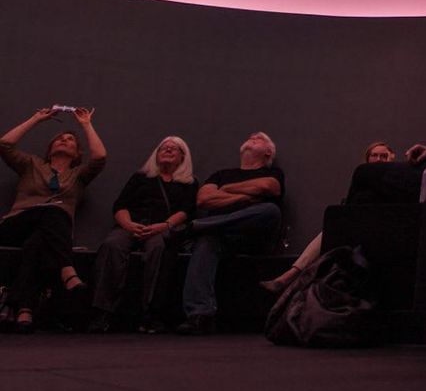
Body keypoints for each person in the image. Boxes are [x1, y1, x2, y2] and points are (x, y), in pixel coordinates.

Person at [0, 107, 106, 331]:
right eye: (59, 138)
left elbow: (99, 157)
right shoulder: (32, 165)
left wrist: (86, 124)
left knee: (35, 244)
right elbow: (5, 144)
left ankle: (24, 309)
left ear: (77, 154)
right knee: (55, 210)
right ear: (49, 150)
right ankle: (67, 268)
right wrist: (36, 118)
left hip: (47, 235)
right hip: (15, 224)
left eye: (70, 140)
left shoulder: (79, 176)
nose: (64, 140)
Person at [176, 131, 285, 334]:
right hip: (221, 236)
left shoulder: (273, 173)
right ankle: (200, 315)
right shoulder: (220, 174)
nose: (253, 137)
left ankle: (197, 226)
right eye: (251, 136)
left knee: (270, 210)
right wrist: (244, 197)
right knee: (206, 241)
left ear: (268, 152)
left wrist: (225, 190)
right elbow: (204, 199)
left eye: (259, 138)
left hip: (254, 235)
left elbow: (269, 187)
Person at [88, 136, 198, 333]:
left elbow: (187, 211)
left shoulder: (189, 183)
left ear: (183, 156)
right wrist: (129, 225)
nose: (168, 150)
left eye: (174, 148)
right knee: (112, 245)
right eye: (164, 147)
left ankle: (151, 314)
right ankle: (102, 312)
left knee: (158, 249)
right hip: (131, 225)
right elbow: (120, 205)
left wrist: (163, 226)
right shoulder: (141, 177)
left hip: (162, 228)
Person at [260, 140, 397, 297]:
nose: (379, 159)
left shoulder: (398, 181)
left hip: (383, 227)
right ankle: (288, 279)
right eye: (375, 155)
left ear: (391, 158)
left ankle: (290, 284)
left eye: (383, 156)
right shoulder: (361, 181)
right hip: (356, 224)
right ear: (367, 159)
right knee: (327, 234)